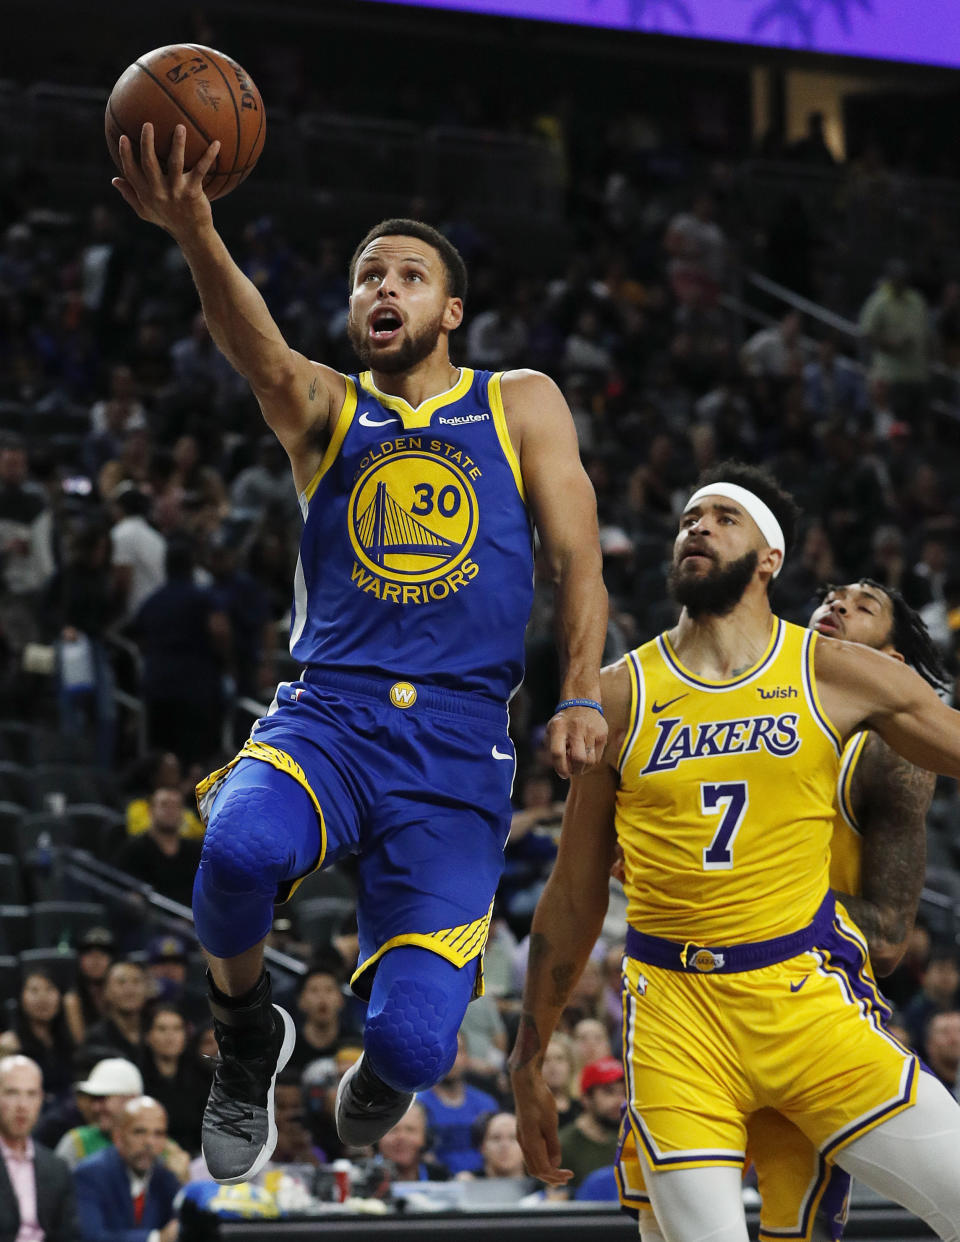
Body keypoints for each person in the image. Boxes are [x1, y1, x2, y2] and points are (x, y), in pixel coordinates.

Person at [112, 125, 607, 1185]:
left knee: (422, 1044)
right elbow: (257, 350)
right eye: (366, 277)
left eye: (409, 275)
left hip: (459, 748)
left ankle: (388, 1064)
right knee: (238, 846)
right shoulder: (327, 409)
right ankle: (247, 1034)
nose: (383, 289)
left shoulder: (520, 403)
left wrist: (576, 696)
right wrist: (198, 232)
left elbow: (582, 565)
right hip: (330, 716)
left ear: (450, 312)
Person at [509, 461, 960, 1242]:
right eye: (690, 517)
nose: (699, 526)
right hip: (677, 1015)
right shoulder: (620, 693)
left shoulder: (832, 671)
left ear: (771, 559)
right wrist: (528, 1056)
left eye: (724, 518)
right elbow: (576, 892)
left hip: (804, 998)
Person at [75, 1097, 180, 1242]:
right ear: (118, 1137)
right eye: (139, 1132)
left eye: (158, 1134)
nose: (149, 1142)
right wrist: (156, 1239)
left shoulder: (167, 1176)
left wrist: (186, 1185)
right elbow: (92, 1237)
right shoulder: (90, 1174)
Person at [0, 1055, 79, 1242]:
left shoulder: (57, 1167)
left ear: (41, 1100)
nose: (22, 1105)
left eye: (31, 1094)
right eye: (12, 1093)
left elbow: (68, 1235)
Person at [420, 1036, 499, 1176]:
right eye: (444, 1051)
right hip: (436, 1182)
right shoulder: (418, 1106)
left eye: (458, 1051)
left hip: (483, 1182)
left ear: (467, 1057)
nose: (451, 1059)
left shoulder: (486, 1103)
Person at [55, 1057, 144, 1171]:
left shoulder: (161, 1146)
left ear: (131, 1099)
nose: (95, 1108)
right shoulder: (77, 1142)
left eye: (102, 1099)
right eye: (93, 1099)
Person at [558, 1058, 624, 1192]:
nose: (620, 1101)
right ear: (586, 1099)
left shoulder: (630, 1140)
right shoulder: (563, 1147)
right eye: (609, 1092)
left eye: (624, 1093)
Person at [376, 1101, 450, 1183]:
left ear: (426, 1137)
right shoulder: (362, 1177)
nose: (401, 1137)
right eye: (393, 1130)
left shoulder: (441, 1178)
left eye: (410, 1130)